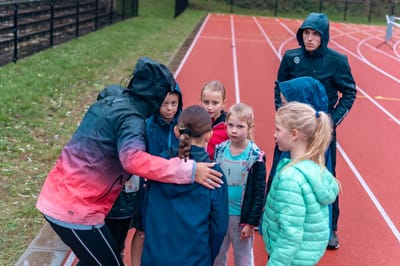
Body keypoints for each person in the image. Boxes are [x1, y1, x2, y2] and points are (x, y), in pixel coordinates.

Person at [36, 57, 223, 266]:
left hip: (66, 198)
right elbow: (132, 160)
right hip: (74, 209)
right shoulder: (131, 120)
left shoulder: (110, 103)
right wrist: (189, 170)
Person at [274, 12, 357, 249]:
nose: (309, 38)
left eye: (315, 34)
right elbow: (278, 87)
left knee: (324, 176)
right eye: (306, 33)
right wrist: (282, 115)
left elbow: (349, 93)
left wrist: (332, 121)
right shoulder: (291, 58)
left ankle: (331, 228)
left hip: (321, 129)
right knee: (283, 171)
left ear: (324, 37)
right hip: (293, 129)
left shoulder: (337, 61)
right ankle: (277, 220)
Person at [141, 105, 229, 265]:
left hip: (155, 256)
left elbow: (145, 211)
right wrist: (206, 256)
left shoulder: (157, 168)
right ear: (209, 135)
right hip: (195, 258)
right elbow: (219, 227)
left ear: (177, 131)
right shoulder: (214, 174)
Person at [262, 101, 340, 266]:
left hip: (289, 259)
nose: (274, 135)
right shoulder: (315, 169)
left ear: (294, 134)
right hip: (304, 257)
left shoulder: (291, 179)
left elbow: (291, 235)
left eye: (278, 129)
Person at [130, 82, 183, 266]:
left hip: (173, 187)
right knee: (142, 230)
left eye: (173, 103)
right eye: (164, 103)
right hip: (149, 185)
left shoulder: (182, 125)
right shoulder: (147, 125)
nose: (169, 108)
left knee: (169, 229)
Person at [213, 103, 266, 266]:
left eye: (240, 126)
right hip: (220, 214)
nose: (234, 130)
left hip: (240, 218)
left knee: (243, 257)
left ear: (250, 127)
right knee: (217, 254)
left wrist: (251, 223)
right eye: (230, 125)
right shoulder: (220, 150)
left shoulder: (255, 156)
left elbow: (259, 192)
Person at [97, 85, 140, 259]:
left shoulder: (132, 131)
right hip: (107, 207)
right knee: (104, 251)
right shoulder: (100, 137)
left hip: (126, 204)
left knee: (116, 246)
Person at [200, 80, 229, 160]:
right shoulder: (197, 122)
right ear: (201, 100)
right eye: (206, 102)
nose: (209, 107)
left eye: (215, 103)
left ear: (223, 103)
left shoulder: (228, 125)